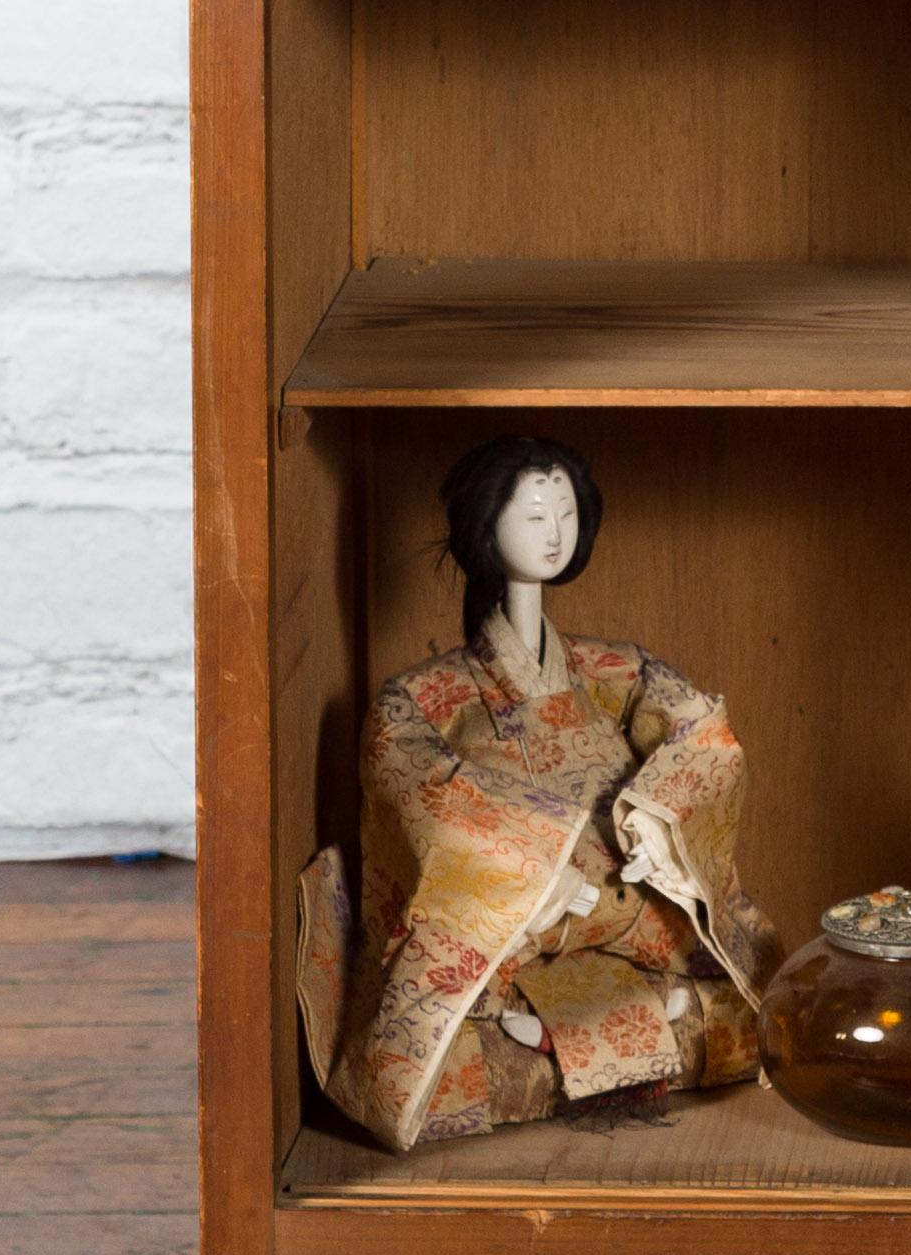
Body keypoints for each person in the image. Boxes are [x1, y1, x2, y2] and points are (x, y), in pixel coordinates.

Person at [295, 433, 774, 1153]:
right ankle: (647, 1020)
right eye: (534, 516)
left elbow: (701, 730)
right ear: (485, 526)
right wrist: (541, 867)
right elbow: (418, 788)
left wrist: (656, 824)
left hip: (622, 897)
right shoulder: (419, 698)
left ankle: (574, 1030)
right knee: (416, 1070)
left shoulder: (617, 668)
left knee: (763, 1007)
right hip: (521, 917)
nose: (555, 533)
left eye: (567, 513)